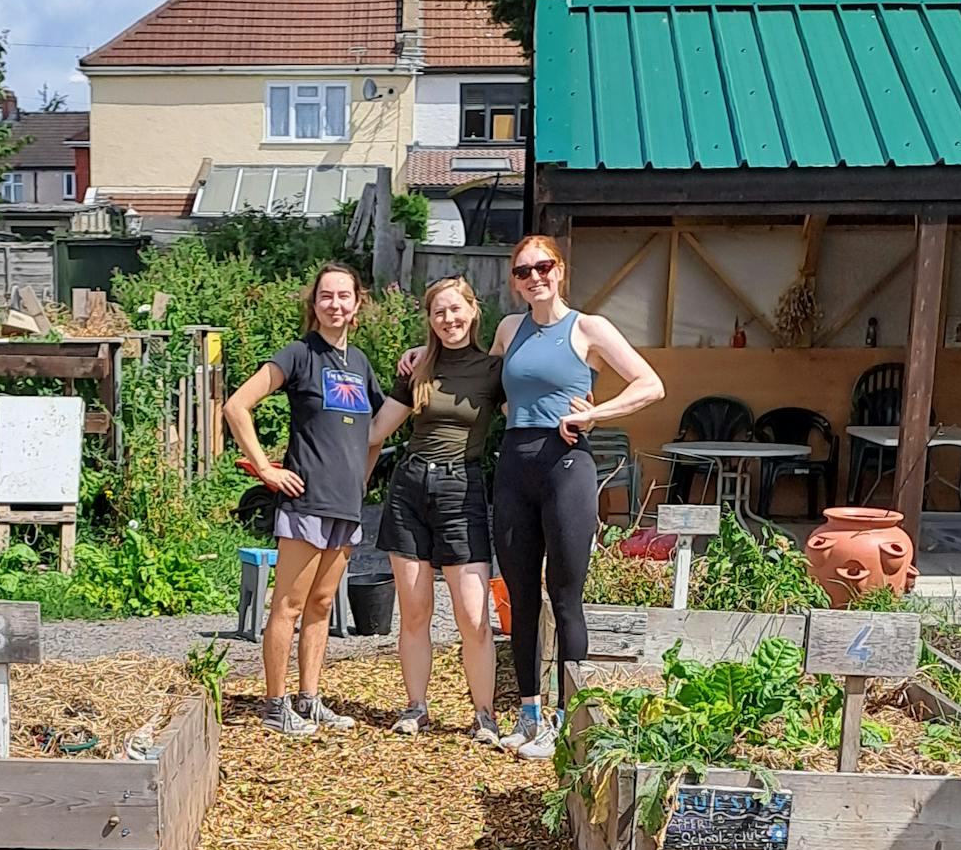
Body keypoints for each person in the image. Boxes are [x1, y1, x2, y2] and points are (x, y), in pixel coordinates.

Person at [397, 237, 663, 759]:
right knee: (519, 600)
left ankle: (568, 720)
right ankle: (529, 712)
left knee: (565, 598)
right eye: (523, 271)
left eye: (543, 267)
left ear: (559, 270)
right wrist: (423, 355)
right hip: (515, 467)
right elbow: (478, 379)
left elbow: (650, 385)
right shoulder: (509, 330)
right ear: (515, 281)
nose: (533, 277)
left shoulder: (589, 328)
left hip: (566, 466)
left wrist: (594, 414)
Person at [223, 263, 384, 737]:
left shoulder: (360, 364)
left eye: (344, 297)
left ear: (358, 305)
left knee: (322, 605)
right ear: (314, 305)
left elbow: (374, 432)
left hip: (345, 505)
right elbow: (236, 406)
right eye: (326, 296)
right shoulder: (298, 355)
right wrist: (266, 469)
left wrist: (362, 477)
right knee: (288, 607)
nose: (335, 304)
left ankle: (309, 700)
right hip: (305, 501)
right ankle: (275, 704)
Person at [365, 277, 504, 743]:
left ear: (473, 310)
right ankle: (415, 707)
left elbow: (528, 410)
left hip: (462, 488)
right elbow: (377, 429)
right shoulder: (417, 368)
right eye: (439, 312)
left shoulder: (493, 370)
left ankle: (484, 714)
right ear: (429, 319)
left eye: (456, 310)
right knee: (415, 611)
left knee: (473, 615)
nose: (449, 320)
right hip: (410, 488)